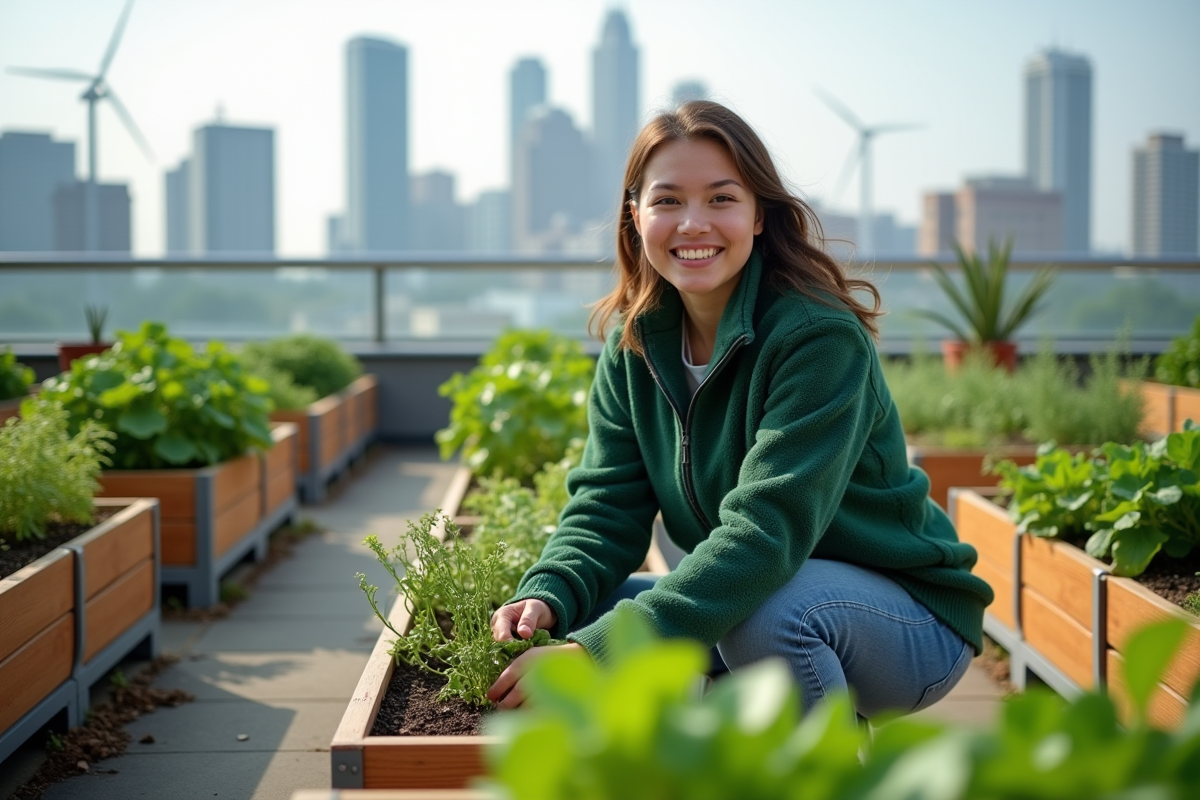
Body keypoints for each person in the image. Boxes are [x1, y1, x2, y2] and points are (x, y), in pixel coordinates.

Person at [487, 100, 993, 718]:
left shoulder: (817, 339)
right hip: (774, 589)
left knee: (759, 615)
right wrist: (551, 594)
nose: (692, 224)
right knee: (579, 616)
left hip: (906, 618)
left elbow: (766, 532)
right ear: (636, 215)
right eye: (668, 200)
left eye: (721, 199)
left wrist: (597, 654)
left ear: (758, 216)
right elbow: (606, 506)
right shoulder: (636, 342)